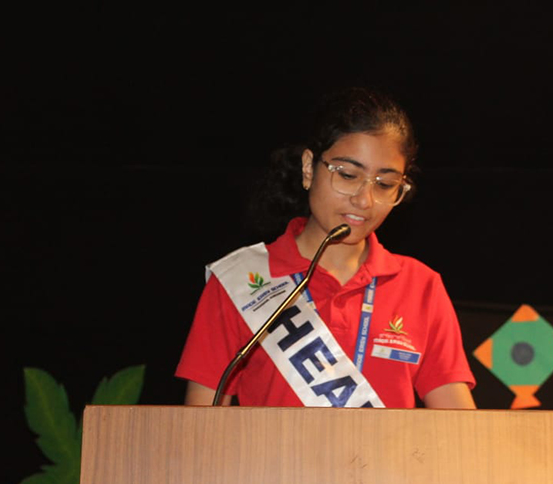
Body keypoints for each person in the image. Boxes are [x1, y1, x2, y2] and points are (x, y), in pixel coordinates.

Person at [176, 86, 476, 409]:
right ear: (309, 167)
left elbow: (458, 427)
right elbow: (201, 425)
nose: (364, 200)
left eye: (385, 184)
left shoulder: (420, 287)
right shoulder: (242, 281)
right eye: (347, 175)